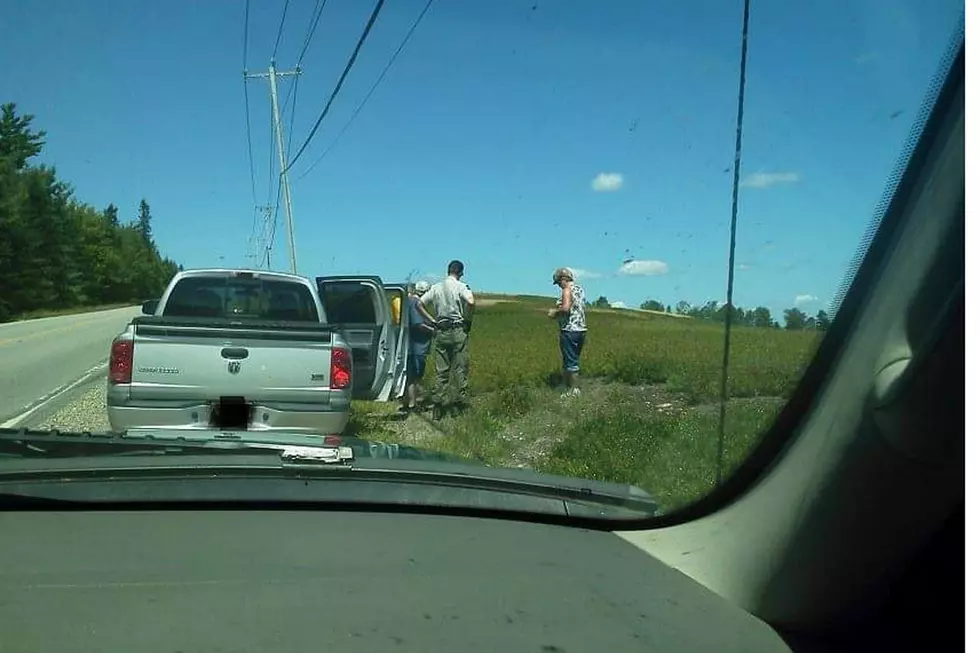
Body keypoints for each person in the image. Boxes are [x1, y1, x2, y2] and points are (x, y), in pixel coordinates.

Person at [420, 260, 475, 420]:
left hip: (442, 330)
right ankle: (459, 405)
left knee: (441, 370)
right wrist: (467, 320)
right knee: (460, 367)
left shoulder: (436, 287)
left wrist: (432, 321)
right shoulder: (461, 287)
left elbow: (419, 304)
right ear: (461, 272)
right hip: (457, 329)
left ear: (448, 271)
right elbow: (471, 302)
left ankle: (438, 406)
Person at [547, 267, 587, 398]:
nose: (559, 286)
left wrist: (554, 313)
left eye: (558, 282)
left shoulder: (566, 290)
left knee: (571, 361)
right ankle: (565, 385)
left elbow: (566, 309)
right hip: (581, 329)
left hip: (569, 329)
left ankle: (574, 390)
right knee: (570, 359)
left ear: (563, 279)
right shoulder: (580, 290)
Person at [400, 280, 436, 413]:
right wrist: (434, 330)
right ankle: (412, 404)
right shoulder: (416, 303)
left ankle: (406, 401)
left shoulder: (406, 302)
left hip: (408, 345)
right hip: (418, 346)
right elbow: (418, 324)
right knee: (415, 376)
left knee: (408, 375)